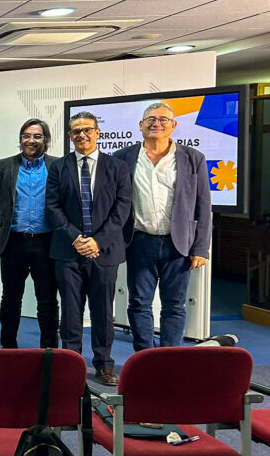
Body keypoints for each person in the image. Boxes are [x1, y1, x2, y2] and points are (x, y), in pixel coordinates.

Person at [113, 102, 211, 351]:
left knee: (174, 306)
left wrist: (201, 248)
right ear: (140, 125)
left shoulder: (193, 158)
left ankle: (170, 357)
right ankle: (145, 357)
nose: (157, 123)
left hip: (178, 243)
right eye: (151, 119)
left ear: (173, 125)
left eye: (163, 119)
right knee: (138, 303)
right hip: (139, 241)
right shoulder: (123, 157)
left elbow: (203, 205)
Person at [46, 111, 132, 386]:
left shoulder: (117, 167)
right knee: (70, 312)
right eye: (76, 131)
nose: (81, 135)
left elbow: (122, 209)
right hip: (68, 251)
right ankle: (71, 364)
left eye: (87, 130)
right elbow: (53, 206)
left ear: (97, 132)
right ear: (70, 137)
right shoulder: (59, 167)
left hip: (104, 252)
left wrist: (98, 241)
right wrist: (76, 238)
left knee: (103, 311)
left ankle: (104, 365)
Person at [0, 118, 60, 349]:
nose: (31, 140)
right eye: (26, 136)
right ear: (20, 140)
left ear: (45, 140)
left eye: (37, 136)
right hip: (13, 242)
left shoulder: (57, 166)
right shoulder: (3, 165)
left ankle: (48, 351)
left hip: (47, 243)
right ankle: (8, 348)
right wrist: (6, 218)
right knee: (10, 299)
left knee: (48, 301)